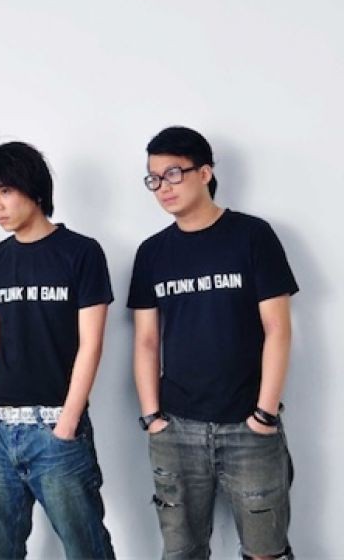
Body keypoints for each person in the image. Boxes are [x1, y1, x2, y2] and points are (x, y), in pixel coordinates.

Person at [128, 126, 297, 560]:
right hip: (176, 427)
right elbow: (146, 340)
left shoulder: (252, 236)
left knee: (265, 551)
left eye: (173, 173)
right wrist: (152, 417)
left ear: (205, 173)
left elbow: (278, 329)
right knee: (181, 551)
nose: (163, 187)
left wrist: (264, 414)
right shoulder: (151, 253)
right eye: (154, 179)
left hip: (248, 425)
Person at [0, 141, 115, 559]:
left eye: (5, 191)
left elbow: (91, 344)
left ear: (34, 189)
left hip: (54, 432)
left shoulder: (81, 252)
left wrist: (67, 423)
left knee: (86, 550)